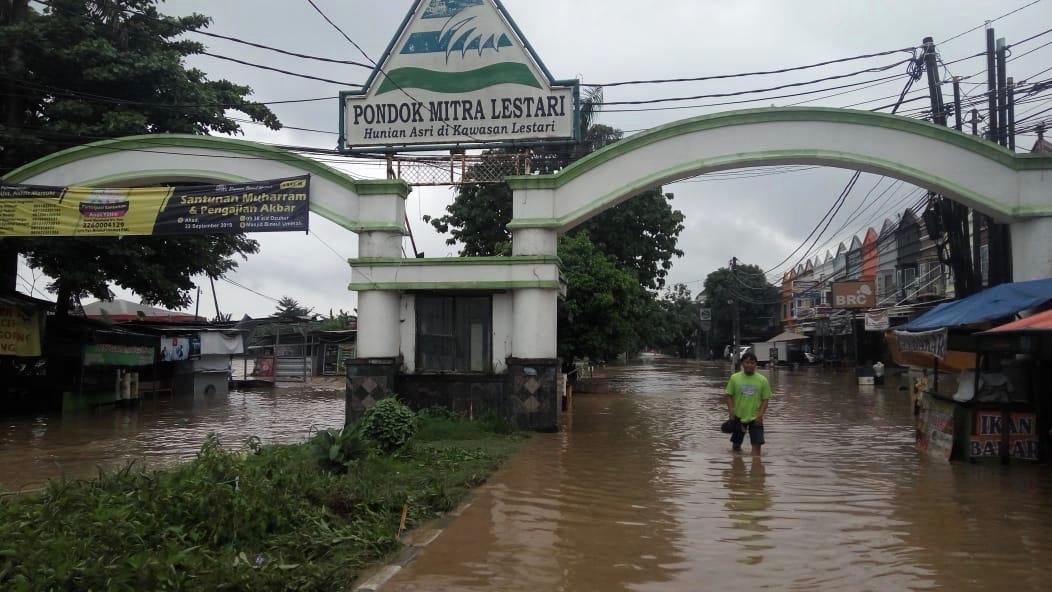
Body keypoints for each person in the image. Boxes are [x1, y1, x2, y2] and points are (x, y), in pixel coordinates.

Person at [725, 351, 772, 456]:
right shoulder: (734, 378)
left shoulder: (762, 380)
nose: (749, 365)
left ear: (756, 364)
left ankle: (756, 468)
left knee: (757, 447)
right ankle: (737, 467)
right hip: (738, 417)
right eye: (747, 362)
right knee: (736, 446)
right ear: (742, 364)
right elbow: (728, 395)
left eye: (752, 362)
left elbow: (766, 399)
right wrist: (731, 412)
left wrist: (760, 416)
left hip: (756, 418)